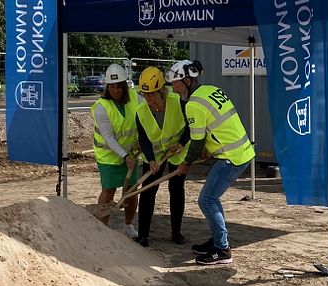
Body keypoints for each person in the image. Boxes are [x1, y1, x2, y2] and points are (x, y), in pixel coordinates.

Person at [167, 59, 255, 265]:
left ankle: (222, 250)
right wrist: (184, 145)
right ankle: (218, 239)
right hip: (241, 151)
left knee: (206, 200)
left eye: (176, 84)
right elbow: (206, 127)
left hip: (230, 158)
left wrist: (185, 164)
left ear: (187, 81)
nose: (174, 88)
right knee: (212, 199)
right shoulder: (211, 90)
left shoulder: (194, 104)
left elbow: (197, 141)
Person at [133, 66, 191, 247]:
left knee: (176, 189)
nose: (148, 99)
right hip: (155, 154)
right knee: (148, 190)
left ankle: (176, 232)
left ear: (162, 91)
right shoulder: (141, 111)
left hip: (177, 150)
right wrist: (150, 159)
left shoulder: (178, 102)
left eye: (151, 95)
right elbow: (143, 139)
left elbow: (191, 126)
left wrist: (181, 143)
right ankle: (143, 235)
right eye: (144, 94)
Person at [90, 63, 140, 239]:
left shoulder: (135, 98)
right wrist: (124, 155)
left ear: (125, 86)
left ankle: (128, 225)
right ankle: (102, 227)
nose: (115, 90)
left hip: (131, 154)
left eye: (119, 86)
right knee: (109, 190)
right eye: (111, 87)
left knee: (131, 191)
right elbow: (108, 137)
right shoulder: (101, 107)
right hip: (109, 156)